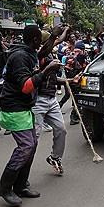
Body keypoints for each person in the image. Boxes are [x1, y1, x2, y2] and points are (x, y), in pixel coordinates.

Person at [0, 25, 61, 207]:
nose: (42, 43)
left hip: (24, 108)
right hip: (13, 108)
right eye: (40, 38)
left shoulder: (29, 52)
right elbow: (26, 86)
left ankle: (21, 185)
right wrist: (47, 70)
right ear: (34, 40)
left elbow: (42, 52)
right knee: (26, 146)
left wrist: (53, 37)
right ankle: (5, 187)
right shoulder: (19, 57)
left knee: (31, 147)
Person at [33, 26, 68, 175]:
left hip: (52, 99)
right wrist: (55, 35)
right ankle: (21, 168)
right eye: (51, 41)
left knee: (61, 129)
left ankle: (55, 157)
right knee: (34, 138)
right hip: (38, 100)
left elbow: (53, 78)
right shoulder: (37, 55)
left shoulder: (50, 56)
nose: (55, 43)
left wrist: (70, 80)